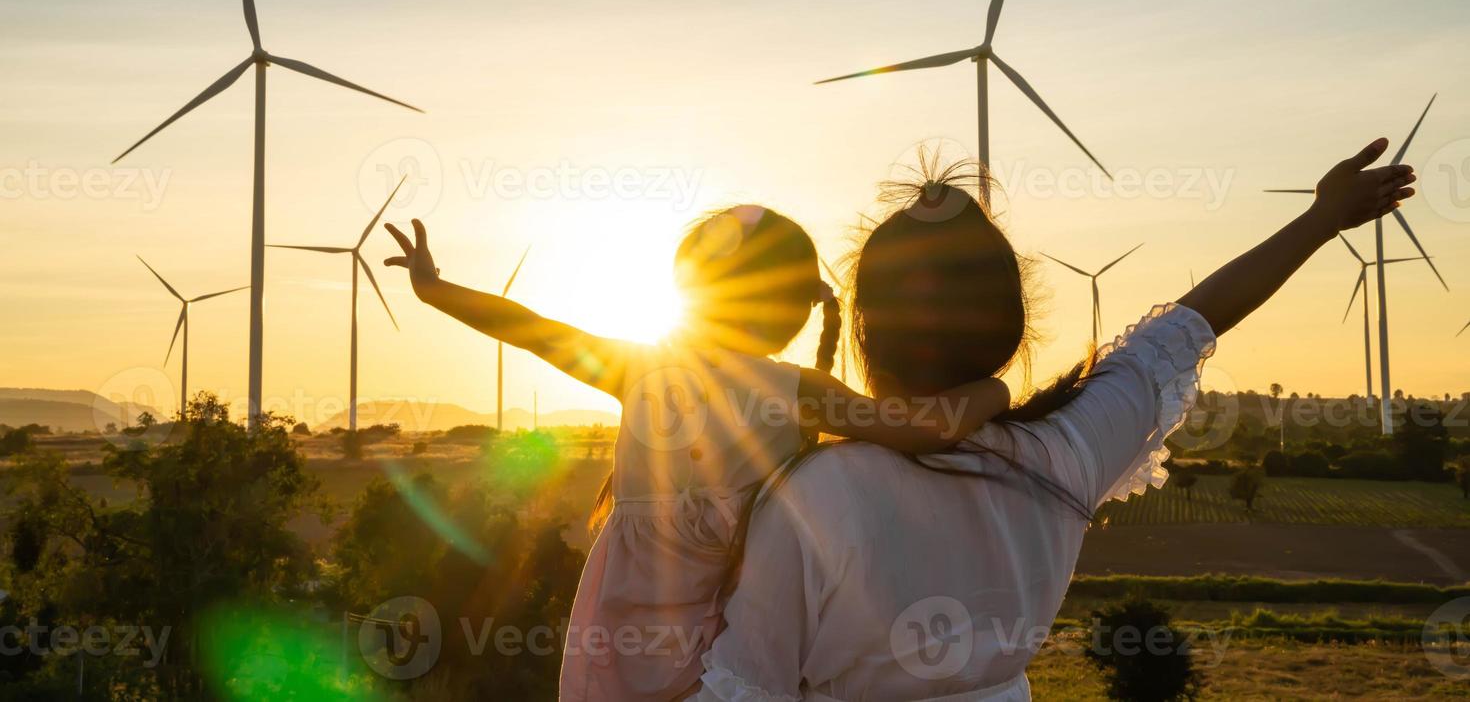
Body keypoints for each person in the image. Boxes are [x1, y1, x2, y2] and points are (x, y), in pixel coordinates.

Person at [695, 140, 1415, 701]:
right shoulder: (1064, 451)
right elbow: (1192, 323)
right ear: (1011, 327)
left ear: (865, 329)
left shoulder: (812, 499)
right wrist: (1323, 219)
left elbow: (745, 688)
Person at [381, 204, 1012, 701]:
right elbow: (925, 429)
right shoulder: (798, 392)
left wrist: (434, 289)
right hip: (732, 634)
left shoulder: (638, 367)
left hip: (624, 626)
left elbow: (528, 329)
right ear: (794, 309)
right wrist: (994, 389)